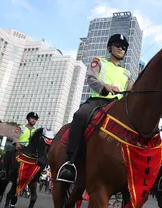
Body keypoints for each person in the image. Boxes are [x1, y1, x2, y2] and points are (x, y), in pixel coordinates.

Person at [57, 34, 133, 183]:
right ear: (109, 47)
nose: (121, 48)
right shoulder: (99, 62)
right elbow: (91, 79)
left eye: (124, 47)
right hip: (98, 101)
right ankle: (70, 163)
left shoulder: (128, 73)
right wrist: (105, 87)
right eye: (117, 45)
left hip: (118, 106)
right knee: (80, 115)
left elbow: (131, 90)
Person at [0, 112, 38, 179]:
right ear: (28, 119)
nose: (34, 120)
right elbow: (15, 136)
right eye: (32, 118)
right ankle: (4, 170)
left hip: (29, 148)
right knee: (9, 152)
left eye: (35, 119)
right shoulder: (21, 128)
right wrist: (17, 143)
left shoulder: (36, 131)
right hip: (20, 145)